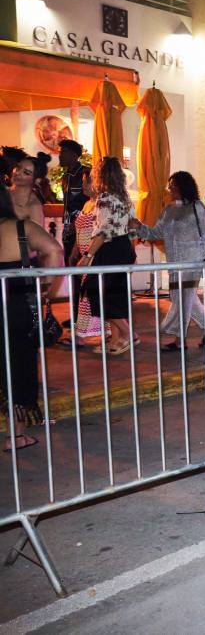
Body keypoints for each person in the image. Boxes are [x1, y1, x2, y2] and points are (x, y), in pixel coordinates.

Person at [130, 171, 205, 351]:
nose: (170, 188)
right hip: (174, 262)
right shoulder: (168, 210)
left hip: (193, 261)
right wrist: (139, 227)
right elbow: (156, 233)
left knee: (183, 298)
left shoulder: (198, 207)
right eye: (170, 185)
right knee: (181, 297)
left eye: (174, 185)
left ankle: (179, 340)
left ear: (184, 186)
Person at [0, 185, 64, 452]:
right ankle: (15, 435)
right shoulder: (20, 229)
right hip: (17, 306)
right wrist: (46, 285)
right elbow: (54, 249)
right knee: (19, 366)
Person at [77, 158, 138, 355]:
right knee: (113, 294)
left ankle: (129, 334)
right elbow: (134, 226)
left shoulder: (104, 198)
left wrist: (87, 256)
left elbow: (102, 231)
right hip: (124, 247)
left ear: (100, 174)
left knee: (95, 291)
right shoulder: (125, 197)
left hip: (110, 248)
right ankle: (119, 337)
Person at [69, 170, 106, 340]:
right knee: (90, 295)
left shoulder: (102, 204)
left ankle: (81, 335)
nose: (82, 185)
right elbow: (80, 229)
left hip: (95, 256)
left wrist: (89, 255)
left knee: (89, 294)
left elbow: (102, 233)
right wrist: (75, 250)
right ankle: (111, 331)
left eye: (86, 182)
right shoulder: (87, 204)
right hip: (85, 256)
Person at [58, 140, 90, 327]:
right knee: (73, 274)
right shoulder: (66, 176)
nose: (60, 155)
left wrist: (77, 223)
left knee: (82, 275)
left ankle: (85, 318)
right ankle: (77, 315)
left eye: (63, 152)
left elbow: (89, 201)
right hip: (68, 230)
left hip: (82, 231)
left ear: (74, 154)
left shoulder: (85, 173)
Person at [9, 152, 47, 227]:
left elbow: (38, 237)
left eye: (26, 172)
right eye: (18, 167)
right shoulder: (3, 192)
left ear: (37, 180)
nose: (18, 173)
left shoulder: (33, 206)